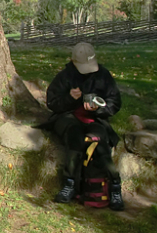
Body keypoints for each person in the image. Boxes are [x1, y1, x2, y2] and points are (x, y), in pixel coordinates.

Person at [45, 42, 124, 211]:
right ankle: (70, 184)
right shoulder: (65, 76)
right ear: (74, 62)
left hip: (96, 119)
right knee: (75, 137)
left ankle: (115, 186)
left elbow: (115, 102)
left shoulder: (103, 76)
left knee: (99, 140)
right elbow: (52, 103)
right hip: (68, 118)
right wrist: (69, 98)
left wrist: (100, 108)